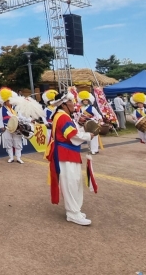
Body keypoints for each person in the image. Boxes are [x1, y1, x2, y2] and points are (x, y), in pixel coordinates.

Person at [45, 92, 94, 226]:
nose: (74, 104)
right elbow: (72, 136)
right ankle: (72, 213)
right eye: (72, 102)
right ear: (64, 104)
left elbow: (73, 133)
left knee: (75, 182)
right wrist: (89, 135)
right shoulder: (62, 117)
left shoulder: (63, 116)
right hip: (65, 154)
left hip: (68, 154)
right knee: (71, 184)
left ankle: (75, 210)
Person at [0, 88, 24, 164]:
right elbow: (0, 119)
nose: (9, 102)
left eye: (10, 100)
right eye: (7, 100)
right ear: (5, 101)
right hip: (7, 128)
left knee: (17, 142)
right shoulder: (2, 109)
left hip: (16, 128)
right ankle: (11, 157)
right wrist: (2, 126)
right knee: (8, 142)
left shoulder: (16, 108)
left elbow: (21, 117)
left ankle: (18, 157)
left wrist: (29, 120)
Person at [77, 91, 102, 155]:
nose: (85, 101)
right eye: (84, 100)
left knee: (94, 137)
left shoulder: (92, 107)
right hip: (85, 125)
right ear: (82, 101)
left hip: (92, 124)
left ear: (88, 101)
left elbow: (98, 115)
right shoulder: (80, 108)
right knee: (88, 137)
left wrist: (99, 120)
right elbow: (79, 116)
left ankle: (95, 150)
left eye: (86, 100)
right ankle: (90, 148)